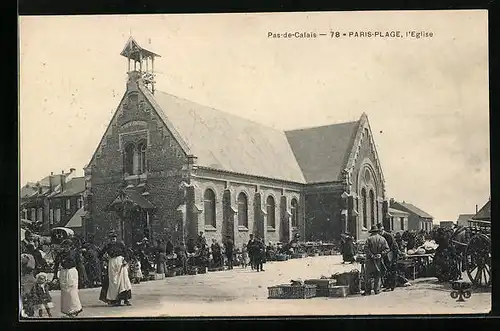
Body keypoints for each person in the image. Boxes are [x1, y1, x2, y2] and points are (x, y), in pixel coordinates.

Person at [99, 231, 132, 306]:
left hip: (121, 263)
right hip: (112, 263)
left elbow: (126, 253)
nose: (113, 239)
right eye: (111, 238)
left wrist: (125, 260)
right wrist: (104, 259)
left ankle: (125, 299)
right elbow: (100, 254)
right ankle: (115, 299)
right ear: (109, 239)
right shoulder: (107, 246)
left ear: (116, 238)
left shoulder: (120, 244)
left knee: (124, 281)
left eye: (114, 238)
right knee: (114, 281)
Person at [52, 239, 84, 317]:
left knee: (72, 291)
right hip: (63, 272)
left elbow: (79, 264)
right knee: (65, 292)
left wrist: (82, 276)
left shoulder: (74, 253)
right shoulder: (60, 254)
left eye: (68, 246)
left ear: (71, 246)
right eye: (65, 246)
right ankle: (67, 311)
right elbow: (56, 265)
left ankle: (75, 309)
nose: (66, 248)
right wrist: (55, 276)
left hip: (72, 272)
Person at [363, 225, 390, 296]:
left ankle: (367, 291)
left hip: (370, 260)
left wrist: (371, 255)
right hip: (379, 260)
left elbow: (366, 248)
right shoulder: (382, 239)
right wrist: (381, 254)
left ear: (371, 232)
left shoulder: (369, 239)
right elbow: (387, 249)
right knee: (377, 275)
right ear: (378, 231)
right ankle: (376, 290)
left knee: (368, 276)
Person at [377, 223, 399, 291]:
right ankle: (388, 285)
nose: (379, 233)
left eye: (380, 231)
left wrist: (383, 254)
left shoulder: (388, 236)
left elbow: (390, 247)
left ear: (382, 230)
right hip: (387, 254)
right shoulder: (381, 236)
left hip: (392, 254)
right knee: (387, 269)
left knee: (391, 270)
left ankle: (391, 286)